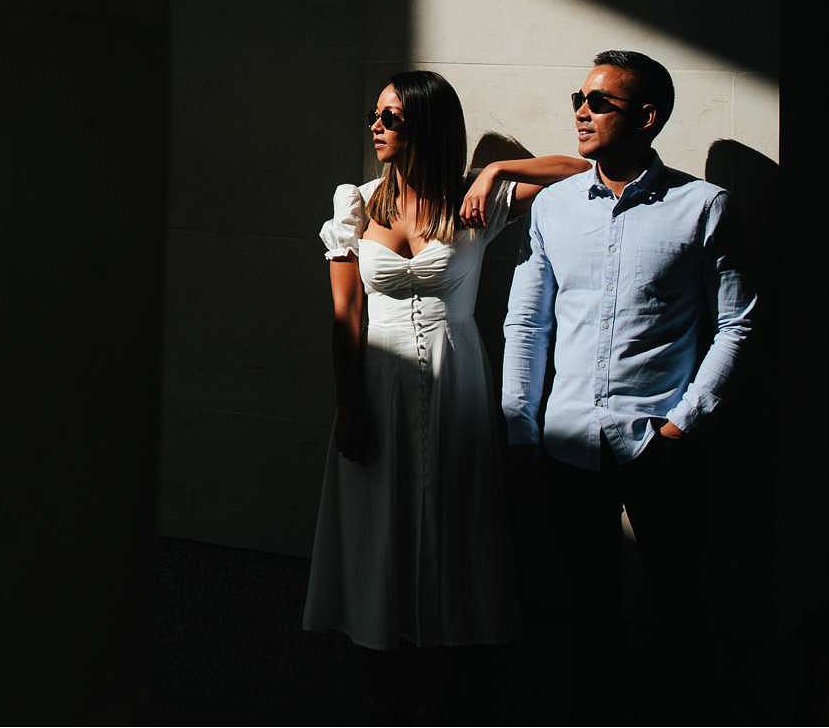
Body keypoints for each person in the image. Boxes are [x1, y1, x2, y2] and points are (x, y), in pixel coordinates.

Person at [302, 70, 585, 655]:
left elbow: (579, 172)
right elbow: (345, 315)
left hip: (455, 372)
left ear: (425, 127)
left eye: (390, 118)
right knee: (378, 509)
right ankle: (379, 636)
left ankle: (449, 645)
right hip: (376, 377)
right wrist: (349, 403)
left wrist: (497, 170)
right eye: (375, 115)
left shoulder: (474, 201)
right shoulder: (356, 203)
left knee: (452, 507)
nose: (375, 127)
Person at [500, 49, 758, 664]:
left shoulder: (704, 207)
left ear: (646, 118)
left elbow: (737, 325)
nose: (581, 113)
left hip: (659, 446)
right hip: (565, 444)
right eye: (577, 100)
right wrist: (518, 427)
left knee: (676, 606)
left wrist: (681, 424)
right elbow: (527, 324)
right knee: (581, 610)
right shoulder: (554, 207)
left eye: (599, 103)